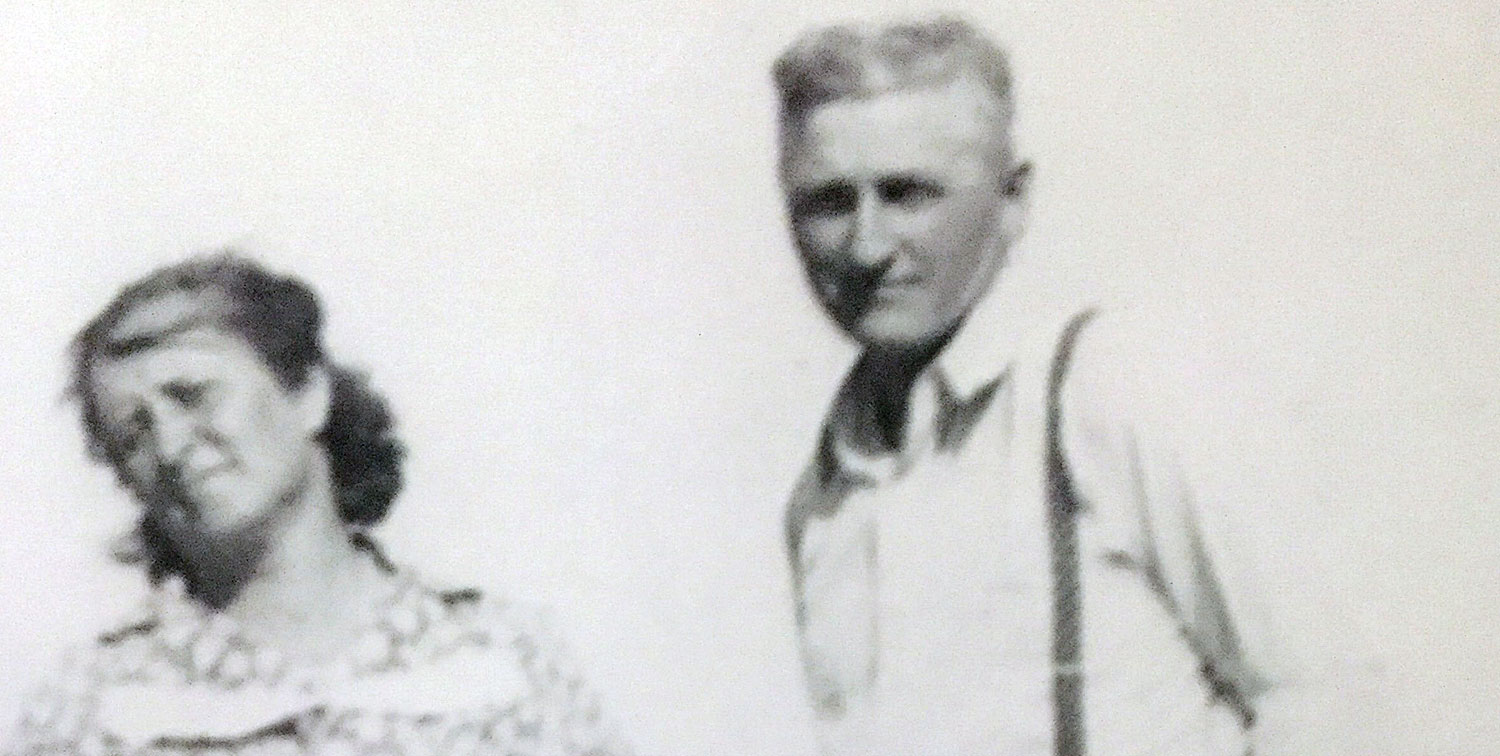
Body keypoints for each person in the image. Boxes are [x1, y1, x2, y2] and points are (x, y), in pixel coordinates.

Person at [774, 16, 1392, 756]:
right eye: (829, 202)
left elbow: (1335, 701)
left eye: (908, 194)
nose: (866, 245)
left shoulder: (1114, 388)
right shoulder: (828, 493)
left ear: (1012, 201)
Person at [8, 253, 627, 756]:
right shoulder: (89, 705)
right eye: (133, 434)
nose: (169, 446)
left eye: (192, 395)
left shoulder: (502, 654)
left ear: (307, 395)